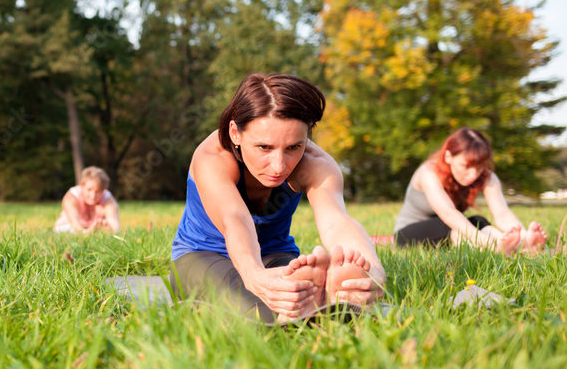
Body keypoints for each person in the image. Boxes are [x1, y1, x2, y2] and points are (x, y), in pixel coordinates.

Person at [170, 73, 385, 324]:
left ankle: (326, 298)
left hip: (274, 254)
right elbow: (235, 220)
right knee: (261, 314)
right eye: (264, 148)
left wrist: (374, 271)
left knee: (301, 292)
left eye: (294, 147)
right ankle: (303, 309)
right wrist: (254, 276)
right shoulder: (212, 157)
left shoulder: (316, 164)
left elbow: (336, 220)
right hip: (201, 255)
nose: (279, 166)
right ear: (235, 133)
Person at [393, 127, 547, 253]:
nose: (473, 174)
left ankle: (521, 245)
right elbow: (448, 214)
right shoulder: (428, 173)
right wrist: (486, 241)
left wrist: (523, 235)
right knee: (454, 226)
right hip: (408, 235)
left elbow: (502, 213)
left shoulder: (487, 177)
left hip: (449, 229)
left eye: (479, 167)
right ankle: (498, 249)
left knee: (478, 221)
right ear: (448, 156)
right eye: (466, 166)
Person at [54, 166, 121, 234]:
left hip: (95, 230)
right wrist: (89, 231)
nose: (93, 195)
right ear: (81, 186)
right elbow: (75, 225)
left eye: (97, 191)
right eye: (89, 190)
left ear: (103, 190)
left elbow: (115, 224)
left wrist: (109, 228)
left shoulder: (108, 199)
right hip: (70, 227)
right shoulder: (72, 197)